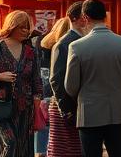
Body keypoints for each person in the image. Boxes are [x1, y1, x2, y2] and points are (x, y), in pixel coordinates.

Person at [64, 0, 121, 157]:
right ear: (105, 16)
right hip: (120, 113)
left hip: (89, 114)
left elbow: (70, 86)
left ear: (85, 17)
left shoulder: (77, 47)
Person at [0, 10, 42, 157]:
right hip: (1, 105)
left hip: (25, 107)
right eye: (21, 27)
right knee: (10, 143)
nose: (25, 31)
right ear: (12, 27)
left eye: (27, 27)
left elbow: (37, 80)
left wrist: (38, 105)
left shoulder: (30, 51)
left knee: (23, 148)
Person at [48, 3, 86, 157]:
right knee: (65, 150)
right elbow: (56, 79)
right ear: (79, 19)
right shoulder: (64, 44)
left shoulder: (80, 41)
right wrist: (67, 110)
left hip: (75, 107)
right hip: (65, 106)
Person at [34, 19, 68, 157]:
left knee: (44, 123)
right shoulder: (66, 46)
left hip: (43, 89)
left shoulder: (41, 43)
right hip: (58, 91)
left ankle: (41, 151)